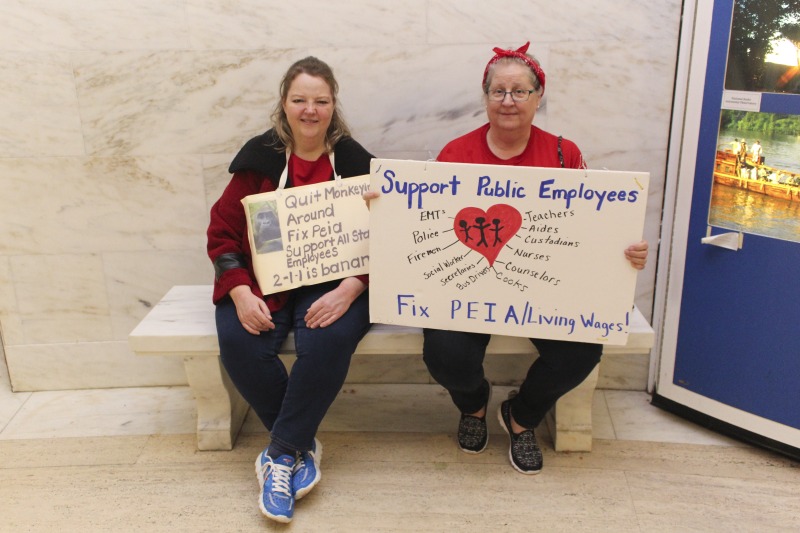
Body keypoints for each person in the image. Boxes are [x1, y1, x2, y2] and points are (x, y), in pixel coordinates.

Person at [367, 42, 648, 475]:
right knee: (444, 353)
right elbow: (424, 222)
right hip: (466, 288)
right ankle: (474, 405)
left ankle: (522, 416)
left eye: (519, 92)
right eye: (498, 91)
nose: (508, 102)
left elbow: (594, 227)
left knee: (582, 351)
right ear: (485, 98)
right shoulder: (456, 153)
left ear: (538, 97)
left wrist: (623, 251)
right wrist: (383, 210)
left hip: (544, 290)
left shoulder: (564, 154)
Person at [207, 56, 373, 523]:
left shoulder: (357, 162)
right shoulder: (259, 159)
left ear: (333, 105)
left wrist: (353, 287)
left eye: (320, 101)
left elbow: (389, 234)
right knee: (239, 342)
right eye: (300, 99)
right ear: (285, 103)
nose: (310, 110)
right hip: (266, 282)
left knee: (329, 341)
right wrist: (239, 290)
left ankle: (280, 454)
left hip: (336, 282)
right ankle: (300, 444)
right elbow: (221, 233)